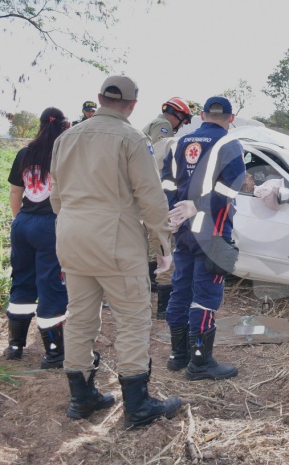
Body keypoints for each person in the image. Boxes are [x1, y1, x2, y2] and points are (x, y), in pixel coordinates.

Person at [50, 75, 182, 429]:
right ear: (133, 104)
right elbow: (152, 199)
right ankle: (137, 405)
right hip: (116, 241)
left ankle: (82, 398)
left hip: (71, 238)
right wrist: (163, 247)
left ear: (99, 98)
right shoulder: (132, 138)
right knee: (133, 319)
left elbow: (56, 197)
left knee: (78, 317)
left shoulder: (66, 137)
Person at [161, 96, 245, 381]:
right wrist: (197, 206)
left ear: (203, 115)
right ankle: (200, 361)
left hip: (184, 230)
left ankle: (178, 355)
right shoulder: (229, 143)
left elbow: (167, 183)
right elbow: (230, 190)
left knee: (181, 289)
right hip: (213, 231)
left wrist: (176, 211)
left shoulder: (179, 142)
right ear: (230, 118)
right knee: (206, 296)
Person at [4, 108, 70, 369]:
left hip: (23, 223)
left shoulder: (24, 153)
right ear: (63, 126)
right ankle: (54, 353)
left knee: (22, 280)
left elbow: (15, 193)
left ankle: (15, 346)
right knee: (51, 285)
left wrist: (20, 219)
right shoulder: (63, 154)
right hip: (50, 225)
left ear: (40, 125)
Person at [142, 97, 193, 314]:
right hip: (155, 192)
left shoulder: (154, 124)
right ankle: (161, 302)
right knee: (162, 242)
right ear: (178, 115)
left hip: (148, 191)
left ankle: (152, 284)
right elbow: (157, 155)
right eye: (183, 120)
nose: (182, 125)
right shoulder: (163, 126)